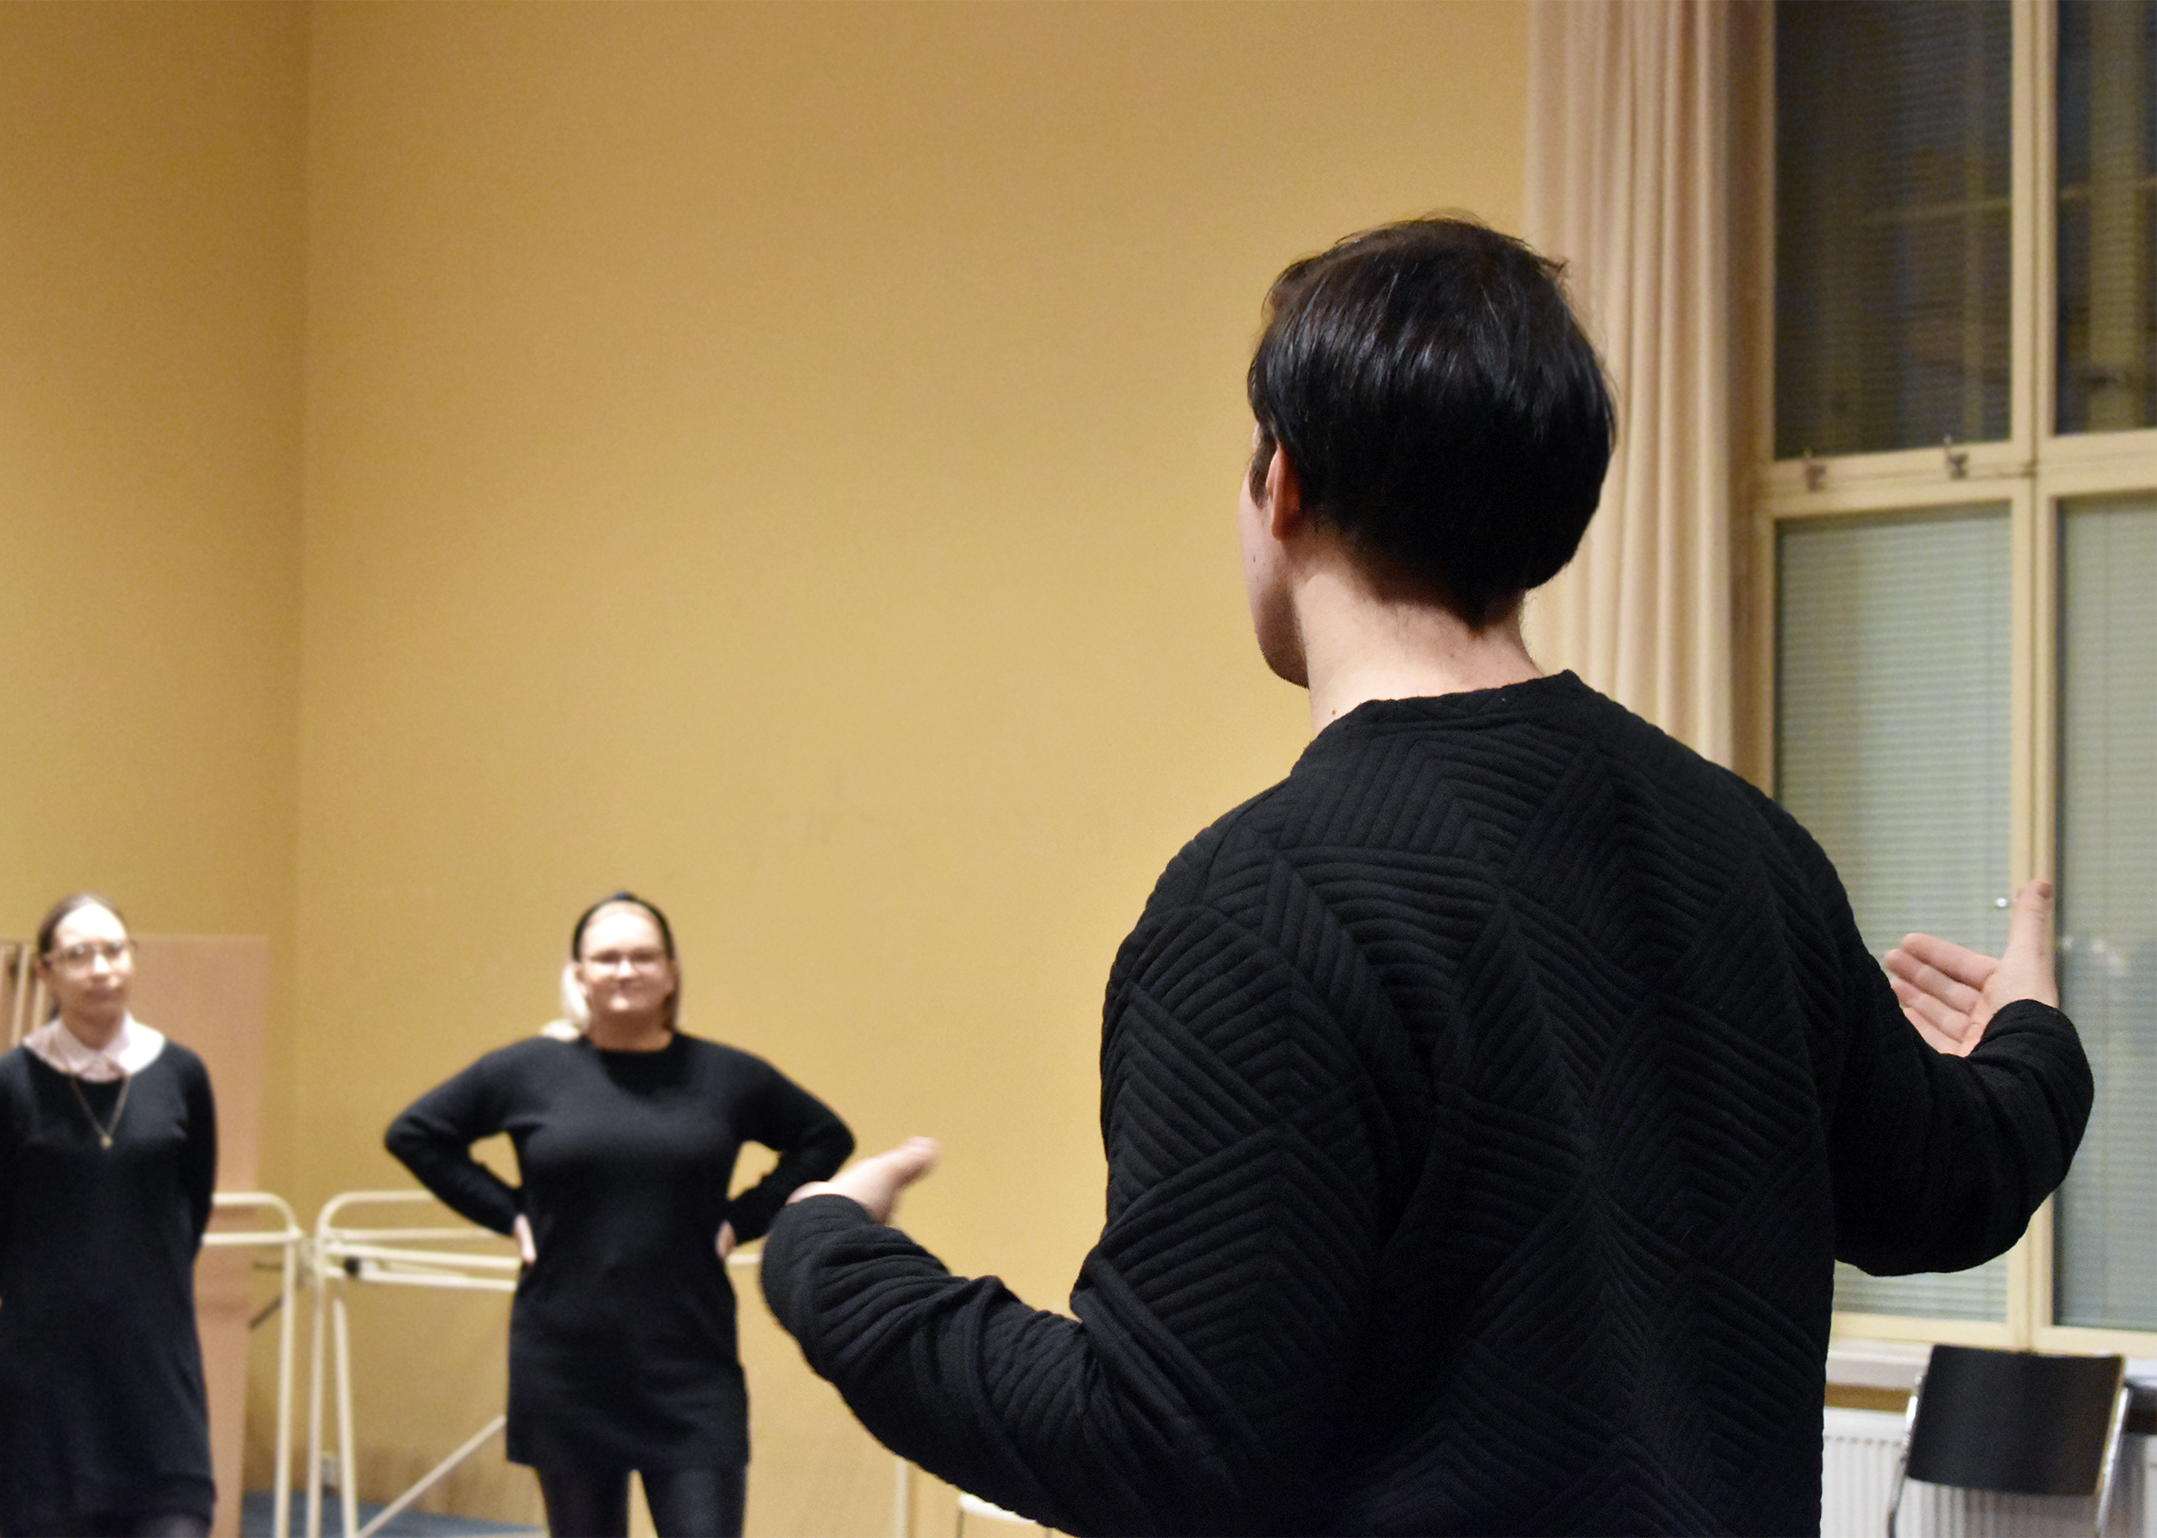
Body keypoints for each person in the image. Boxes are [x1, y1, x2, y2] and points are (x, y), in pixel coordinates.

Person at [758, 218, 2095, 1538]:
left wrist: (833, 1259)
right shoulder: (1752, 851)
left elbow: (1157, 1445)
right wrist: (2029, 1027)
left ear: (1282, 485)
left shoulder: (1261, 909)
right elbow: (1952, 1179)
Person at [386, 892, 855, 1538]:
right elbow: (415, 1134)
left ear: (671, 974)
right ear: (579, 974)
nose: (625, 971)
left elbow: (824, 1138)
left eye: (643, 956)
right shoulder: (528, 1070)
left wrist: (741, 1221)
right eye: (606, 958)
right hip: (566, 1365)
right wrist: (508, 1214)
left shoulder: (726, 1075)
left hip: (690, 1365)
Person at [0, 895, 218, 1538]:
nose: (101, 969)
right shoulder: (6, 1086)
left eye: (114, 950)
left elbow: (190, 1211)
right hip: (46, 1379)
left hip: (157, 1376)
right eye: (78, 955)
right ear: (44, 972)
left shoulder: (182, 1074)